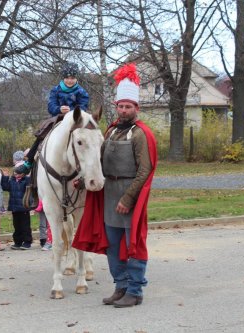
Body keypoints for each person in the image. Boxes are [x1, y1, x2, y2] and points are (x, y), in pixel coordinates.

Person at [72, 63, 157, 308]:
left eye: (128, 106)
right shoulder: (109, 131)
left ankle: (135, 290)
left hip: (129, 197)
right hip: (109, 196)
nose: (123, 110)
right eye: (120, 106)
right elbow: (97, 161)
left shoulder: (141, 134)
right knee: (111, 245)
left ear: (136, 108)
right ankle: (120, 286)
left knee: (133, 244)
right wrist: (82, 179)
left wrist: (128, 199)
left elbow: (145, 170)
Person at [16, 62, 89, 174]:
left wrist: (73, 111)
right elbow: (51, 106)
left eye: (72, 78)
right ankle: (29, 162)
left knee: (89, 135)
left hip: (75, 120)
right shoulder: (56, 90)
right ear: (63, 78)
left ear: (76, 78)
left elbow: (83, 107)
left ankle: (90, 163)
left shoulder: (81, 91)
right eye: (67, 78)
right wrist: (59, 109)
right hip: (58, 118)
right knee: (42, 135)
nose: (70, 80)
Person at [1, 162, 33, 250]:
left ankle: (27, 242)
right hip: (15, 208)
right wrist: (5, 177)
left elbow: (30, 185)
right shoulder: (12, 180)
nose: (16, 174)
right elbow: (5, 187)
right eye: (15, 172)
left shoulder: (26, 180)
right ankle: (18, 242)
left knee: (25, 226)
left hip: (24, 208)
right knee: (17, 226)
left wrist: (28, 175)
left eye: (18, 172)